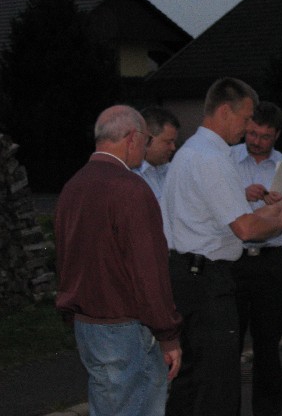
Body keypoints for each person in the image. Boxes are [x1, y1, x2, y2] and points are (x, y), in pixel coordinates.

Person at [161, 77, 282, 416]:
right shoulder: (214, 157)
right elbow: (244, 228)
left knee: (195, 375)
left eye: (262, 131)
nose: (248, 130)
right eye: (246, 120)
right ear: (226, 112)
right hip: (208, 279)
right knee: (217, 380)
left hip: (199, 272)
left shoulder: (192, 151)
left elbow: (227, 220)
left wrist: (274, 211)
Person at [54, 105, 183, 416]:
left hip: (88, 324)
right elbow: (149, 271)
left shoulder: (73, 187)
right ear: (131, 138)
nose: (146, 147)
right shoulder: (130, 189)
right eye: (147, 139)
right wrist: (168, 335)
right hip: (123, 327)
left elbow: (65, 258)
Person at [231, 101, 282, 416]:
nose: (256, 141)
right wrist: (241, 194)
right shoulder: (226, 160)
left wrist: (279, 206)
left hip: (269, 263)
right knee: (227, 346)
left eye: (264, 136)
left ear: (276, 135)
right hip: (232, 261)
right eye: (251, 133)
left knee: (268, 346)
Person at [132, 106, 180, 201]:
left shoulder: (173, 171)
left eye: (174, 142)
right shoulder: (128, 175)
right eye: (168, 142)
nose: (173, 147)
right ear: (146, 139)